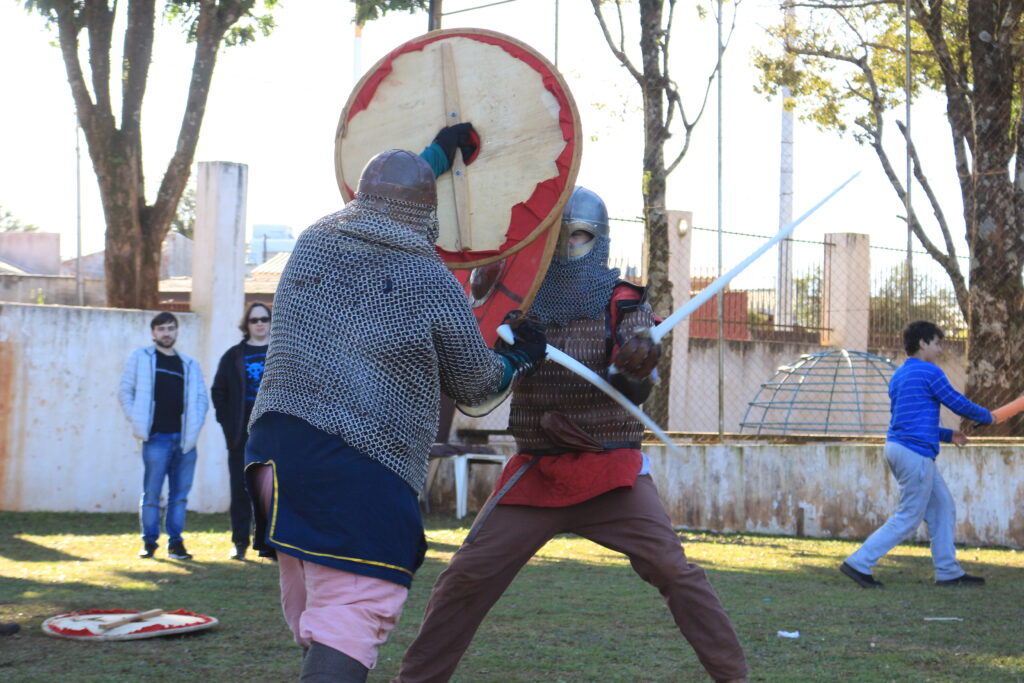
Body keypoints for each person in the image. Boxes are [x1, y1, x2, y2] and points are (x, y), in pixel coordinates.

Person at [395, 187, 749, 683]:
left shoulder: (623, 302)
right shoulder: (518, 302)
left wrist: (635, 365)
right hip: (537, 471)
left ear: (599, 239)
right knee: (465, 577)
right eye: (559, 236)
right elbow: (477, 382)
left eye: (579, 235)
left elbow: (637, 386)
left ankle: (735, 677)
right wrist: (511, 351)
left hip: (610, 472)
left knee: (674, 571)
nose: (567, 245)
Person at [244, 127, 545, 682]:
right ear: (428, 212)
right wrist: (519, 359)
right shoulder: (427, 278)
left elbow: (382, 199)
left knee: (320, 611)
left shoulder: (314, 240)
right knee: (353, 614)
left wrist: (433, 155)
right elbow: (477, 385)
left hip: (274, 460)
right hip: (355, 467)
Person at [840, 320, 992, 588]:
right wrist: (987, 416)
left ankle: (948, 571)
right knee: (909, 516)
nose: (940, 349)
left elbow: (911, 419)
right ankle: (859, 562)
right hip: (914, 452)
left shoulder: (899, 375)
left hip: (899, 447)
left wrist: (947, 435)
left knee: (943, 506)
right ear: (922, 343)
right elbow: (956, 402)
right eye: (937, 343)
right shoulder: (930, 372)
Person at [119, 311, 209, 560]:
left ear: (177, 331)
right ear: (153, 333)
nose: (167, 333)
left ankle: (176, 544)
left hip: (184, 440)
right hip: (156, 437)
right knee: (151, 493)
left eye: (171, 328)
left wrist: (195, 427)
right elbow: (125, 390)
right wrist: (136, 419)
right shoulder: (141, 357)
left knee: (179, 497)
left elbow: (202, 398)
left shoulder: (189, 364)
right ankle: (149, 543)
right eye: (161, 329)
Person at [211, 301, 271, 560]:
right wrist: (227, 426)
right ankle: (240, 544)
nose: (259, 324)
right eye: (254, 320)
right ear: (246, 325)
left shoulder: (281, 353)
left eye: (264, 319)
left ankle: (268, 544)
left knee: (271, 491)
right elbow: (218, 392)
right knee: (241, 489)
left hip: (273, 433)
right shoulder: (233, 356)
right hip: (240, 435)